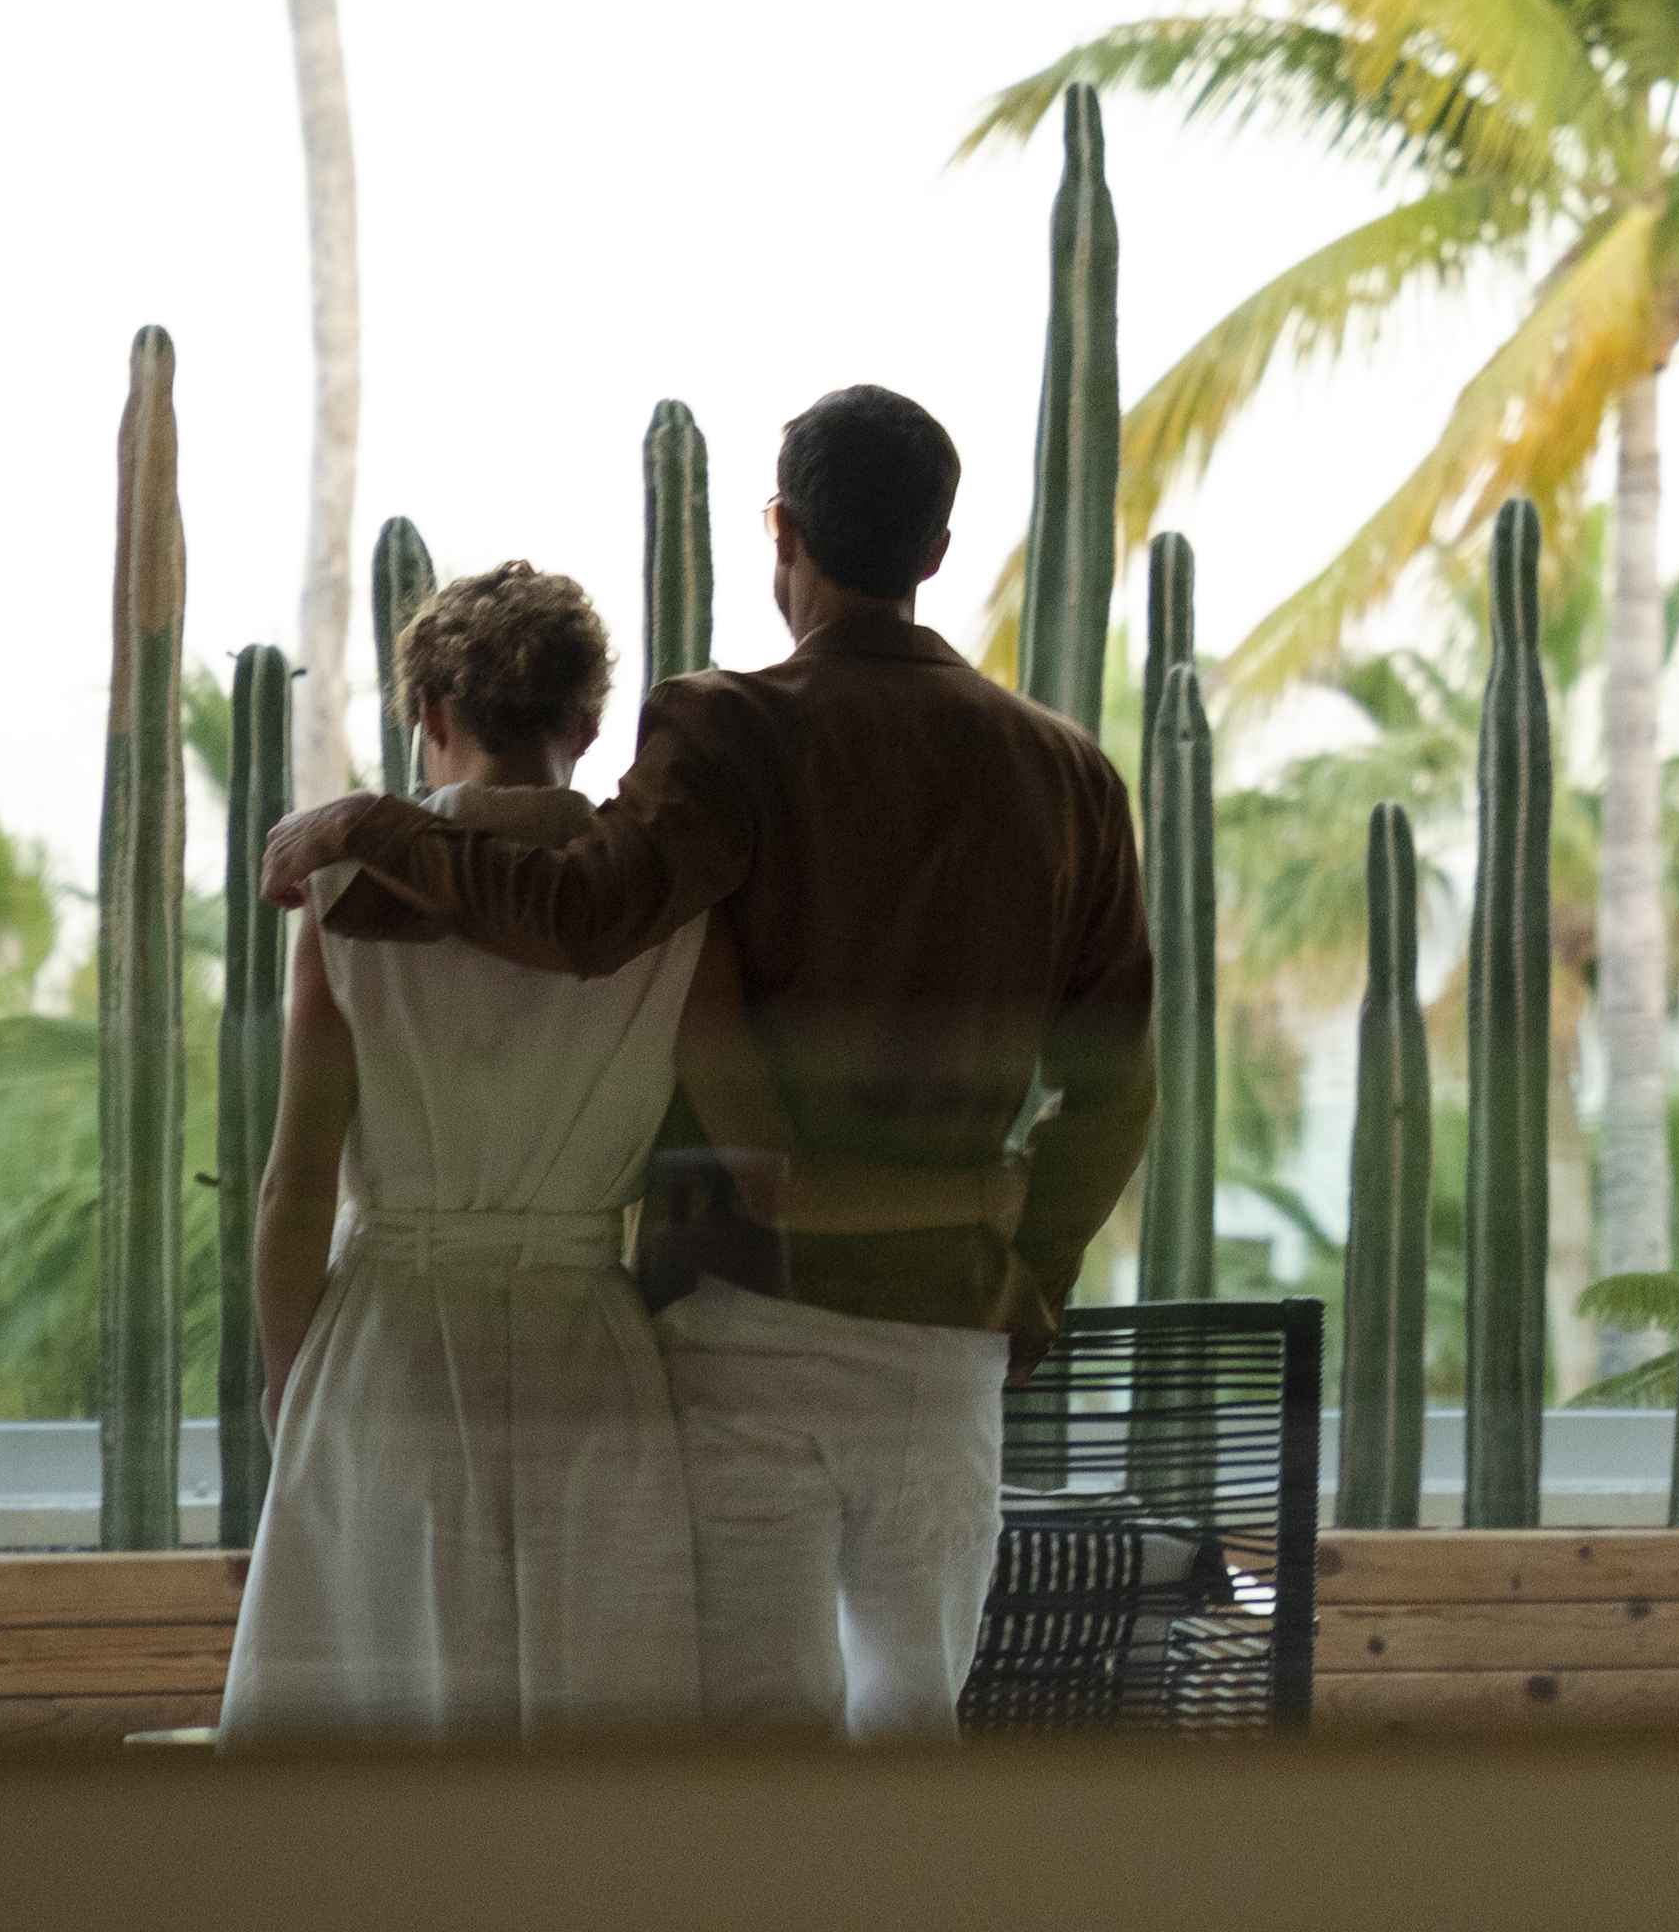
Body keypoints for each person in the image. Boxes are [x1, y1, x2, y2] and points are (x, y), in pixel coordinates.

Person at [262, 382, 1154, 1739]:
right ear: (935, 550)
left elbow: (580, 917)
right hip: (944, 1343)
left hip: (740, 1330)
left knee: (747, 1777)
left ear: (778, 530)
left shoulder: (727, 731)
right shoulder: (1073, 777)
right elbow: (1118, 1085)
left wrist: (371, 830)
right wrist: (1029, 1270)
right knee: (913, 1738)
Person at [219, 561, 703, 1739]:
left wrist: (293, 1379)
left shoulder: (344, 879)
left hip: (390, 1346)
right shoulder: (667, 891)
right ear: (588, 723)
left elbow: (294, 1184)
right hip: (589, 1354)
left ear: (430, 715)